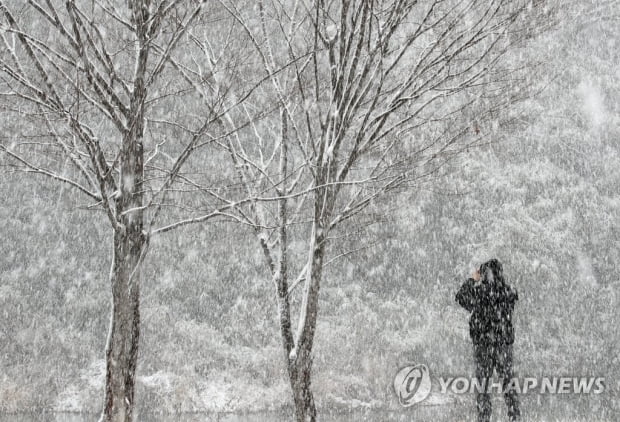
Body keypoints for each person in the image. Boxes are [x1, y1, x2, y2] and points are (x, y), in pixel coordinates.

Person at [456, 258, 520, 422]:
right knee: (508, 383)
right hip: (503, 346)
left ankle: (484, 418)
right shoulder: (507, 292)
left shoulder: (480, 294)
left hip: (483, 346)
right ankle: (514, 416)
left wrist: (473, 279)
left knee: (483, 387)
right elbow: (513, 297)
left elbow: (461, 297)